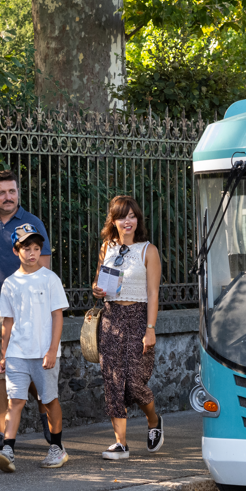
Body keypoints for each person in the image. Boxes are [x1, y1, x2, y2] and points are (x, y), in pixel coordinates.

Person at [0, 170, 53, 449]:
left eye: (12, 191)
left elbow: (45, 270)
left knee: (31, 371)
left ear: (18, 192)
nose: (8, 197)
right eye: (2, 192)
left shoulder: (33, 223)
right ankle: (8, 438)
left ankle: (45, 411)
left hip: (26, 314)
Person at [0, 223, 70, 472]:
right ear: (16, 251)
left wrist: (51, 350)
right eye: (27, 248)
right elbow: (8, 322)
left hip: (44, 353)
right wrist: (4, 355)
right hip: (17, 353)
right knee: (15, 401)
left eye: (36, 248)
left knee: (49, 401)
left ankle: (57, 447)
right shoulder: (10, 284)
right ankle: (8, 450)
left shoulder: (50, 278)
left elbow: (57, 316)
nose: (33, 252)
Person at [91, 195, 164, 460]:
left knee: (134, 383)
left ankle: (154, 421)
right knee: (112, 381)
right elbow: (97, 283)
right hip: (111, 318)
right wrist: (97, 290)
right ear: (114, 221)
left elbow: (153, 294)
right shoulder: (106, 248)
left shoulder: (148, 250)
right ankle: (120, 444)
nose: (128, 221)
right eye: (122, 216)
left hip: (138, 316)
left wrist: (150, 328)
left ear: (137, 219)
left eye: (132, 215)